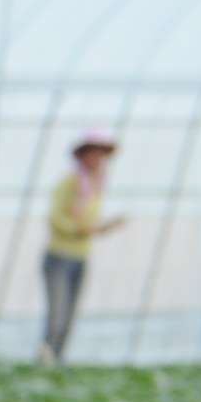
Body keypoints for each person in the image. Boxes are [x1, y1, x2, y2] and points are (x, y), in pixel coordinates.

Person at [40, 135, 120, 360]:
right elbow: (56, 218)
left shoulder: (94, 186)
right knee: (57, 316)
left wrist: (103, 228)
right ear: (82, 155)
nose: (97, 159)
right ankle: (45, 361)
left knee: (69, 317)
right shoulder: (69, 182)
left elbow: (88, 223)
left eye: (101, 155)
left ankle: (58, 362)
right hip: (59, 256)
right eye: (93, 153)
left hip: (80, 257)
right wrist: (79, 230)